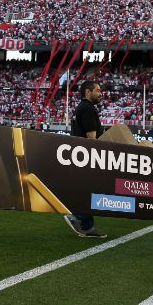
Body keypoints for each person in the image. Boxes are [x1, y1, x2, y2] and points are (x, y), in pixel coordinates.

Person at [64, 80, 107, 238]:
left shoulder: (80, 107)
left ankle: (79, 218)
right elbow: (92, 139)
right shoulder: (88, 109)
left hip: (78, 157)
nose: (100, 93)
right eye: (97, 90)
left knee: (84, 190)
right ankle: (83, 223)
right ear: (88, 92)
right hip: (87, 157)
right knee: (89, 191)